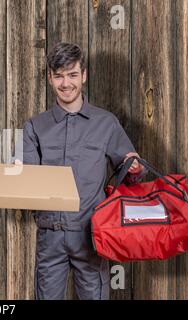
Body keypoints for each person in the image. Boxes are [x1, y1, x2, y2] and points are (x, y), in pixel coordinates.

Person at [14, 42, 147, 300]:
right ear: (50, 77)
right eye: (59, 76)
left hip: (92, 236)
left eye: (73, 74)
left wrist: (134, 167)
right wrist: (16, 171)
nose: (66, 84)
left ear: (83, 75)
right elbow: (24, 177)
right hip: (50, 237)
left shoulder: (106, 123)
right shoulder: (34, 127)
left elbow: (131, 172)